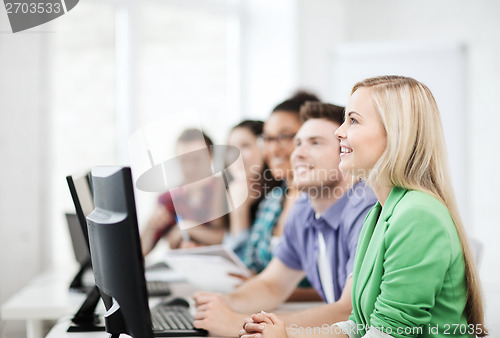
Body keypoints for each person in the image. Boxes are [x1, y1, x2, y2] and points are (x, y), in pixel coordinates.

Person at [240, 76, 487, 338]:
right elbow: (358, 325)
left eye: (353, 121)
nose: (339, 132)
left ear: (395, 133)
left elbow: (386, 333)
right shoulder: (380, 213)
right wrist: (286, 335)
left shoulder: (417, 215)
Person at [192, 102, 377, 337]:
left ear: (346, 151)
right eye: (298, 142)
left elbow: (350, 312)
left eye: (315, 143)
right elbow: (273, 284)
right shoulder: (302, 209)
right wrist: (222, 303)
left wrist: (240, 323)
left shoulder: (366, 207)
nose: (296, 153)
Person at [240, 91, 320, 273]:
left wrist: (257, 286)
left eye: (284, 137)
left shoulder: (325, 203)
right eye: (267, 138)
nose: (273, 149)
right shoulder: (272, 200)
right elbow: (249, 263)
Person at [141, 128, 227, 255]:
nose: (189, 168)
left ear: (210, 158)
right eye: (183, 160)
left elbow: (232, 238)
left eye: (196, 160)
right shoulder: (168, 200)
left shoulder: (226, 189)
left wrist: (189, 229)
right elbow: (141, 253)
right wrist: (150, 227)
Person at [223, 120, 280, 257]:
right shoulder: (233, 189)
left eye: (245, 146)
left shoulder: (279, 197)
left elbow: (242, 261)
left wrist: (240, 211)